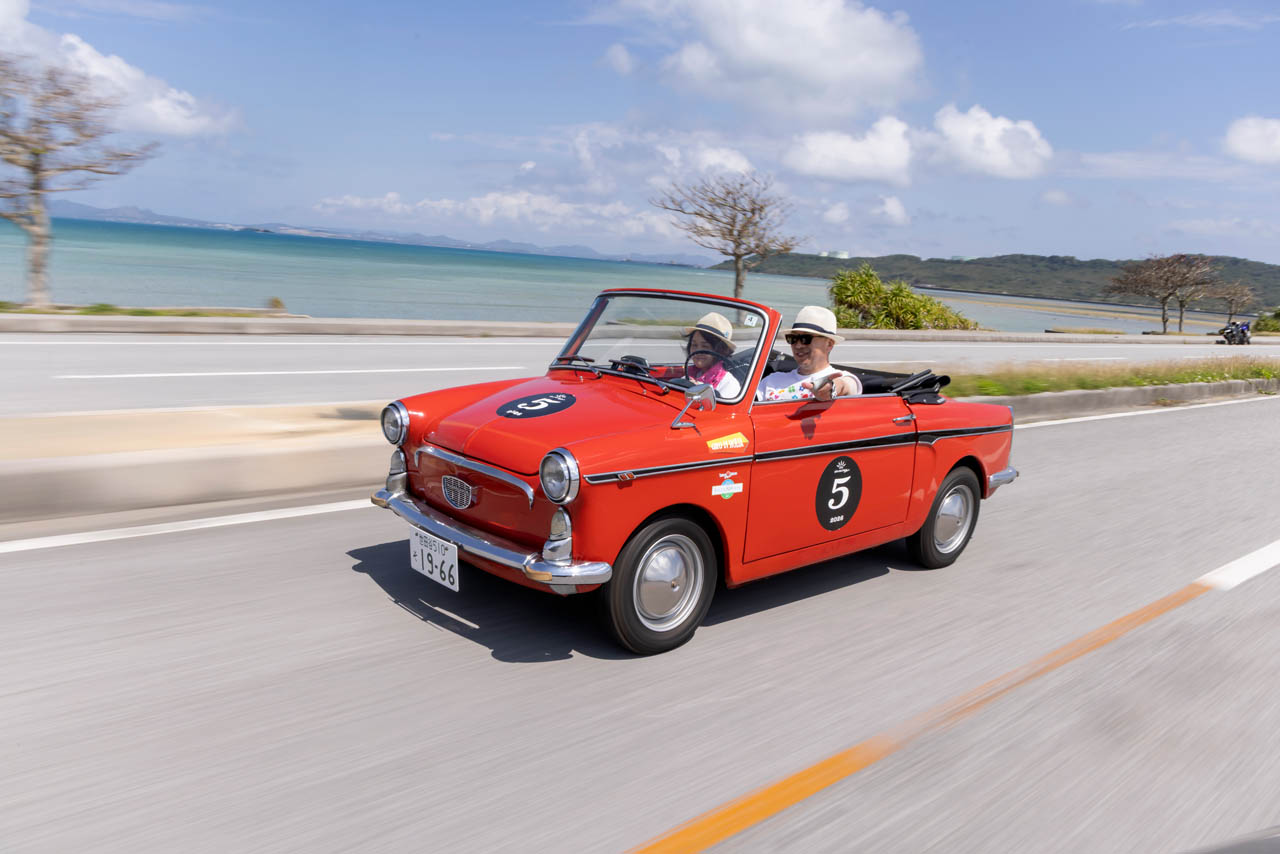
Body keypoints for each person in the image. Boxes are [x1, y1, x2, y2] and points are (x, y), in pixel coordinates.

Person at [757, 305, 861, 402]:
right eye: (793, 338)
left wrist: (832, 388)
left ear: (829, 344)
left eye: (806, 338)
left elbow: (846, 385)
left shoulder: (841, 377)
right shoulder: (772, 380)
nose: (798, 345)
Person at [682, 312, 742, 399]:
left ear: (721, 350)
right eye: (694, 345)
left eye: (705, 346)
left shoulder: (729, 384)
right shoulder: (690, 374)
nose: (698, 351)